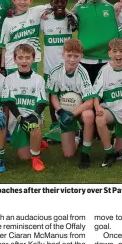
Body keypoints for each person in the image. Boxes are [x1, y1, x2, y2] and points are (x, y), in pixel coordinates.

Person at [46, 39, 96, 168]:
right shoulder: (55, 72)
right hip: (64, 111)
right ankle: (78, 136)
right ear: (63, 54)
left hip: (79, 110)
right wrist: (60, 112)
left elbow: (89, 102)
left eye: (76, 56)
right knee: (68, 154)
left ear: (81, 56)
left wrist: (72, 114)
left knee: (89, 115)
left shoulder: (82, 73)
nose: (72, 60)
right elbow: (53, 96)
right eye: (69, 55)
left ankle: (85, 153)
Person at [2, 44, 48, 171]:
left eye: (28, 58)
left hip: (33, 117)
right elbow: (9, 103)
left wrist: (34, 116)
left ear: (34, 59)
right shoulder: (9, 79)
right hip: (17, 120)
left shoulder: (39, 79)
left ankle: (36, 158)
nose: (24, 61)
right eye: (20, 57)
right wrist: (20, 117)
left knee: (34, 126)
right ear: (15, 59)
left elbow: (42, 102)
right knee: (23, 157)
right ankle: (38, 142)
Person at [40, 0, 78, 142]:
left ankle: (71, 125)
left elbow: (77, 26)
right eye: (56, 2)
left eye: (63, 2)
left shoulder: (71, 18)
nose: (60, 4)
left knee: (70, 95)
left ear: (66, 3)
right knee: (52, 96)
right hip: (50, 67)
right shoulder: (45, 18)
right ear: (51, 3)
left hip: (68, 67)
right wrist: (47, 9)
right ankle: (55, 126)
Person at [93, 38, 122, 167]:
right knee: (100, 118)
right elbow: (96, 94)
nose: (118, 54)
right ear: (109, 53)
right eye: (115, 51)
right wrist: (97, 107)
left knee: (121, 151)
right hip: (112, 110)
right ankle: (109, 153)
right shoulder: (104, 70)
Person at [71, 0, 120, 83]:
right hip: (85, 59)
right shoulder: (79, 8)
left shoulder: (111, 8)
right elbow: (67, 20)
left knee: (103, 97)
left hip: (106, 60)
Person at [0, 0, 50, 75]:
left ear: (31, 1)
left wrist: (44, 12)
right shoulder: (8, 20)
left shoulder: (36, 12)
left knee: (31, 87)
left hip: (31, 61)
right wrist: (2, 67)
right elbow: (4, 46)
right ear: (13, 1)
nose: (22, 2)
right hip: (12, 63)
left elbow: (54, 5)